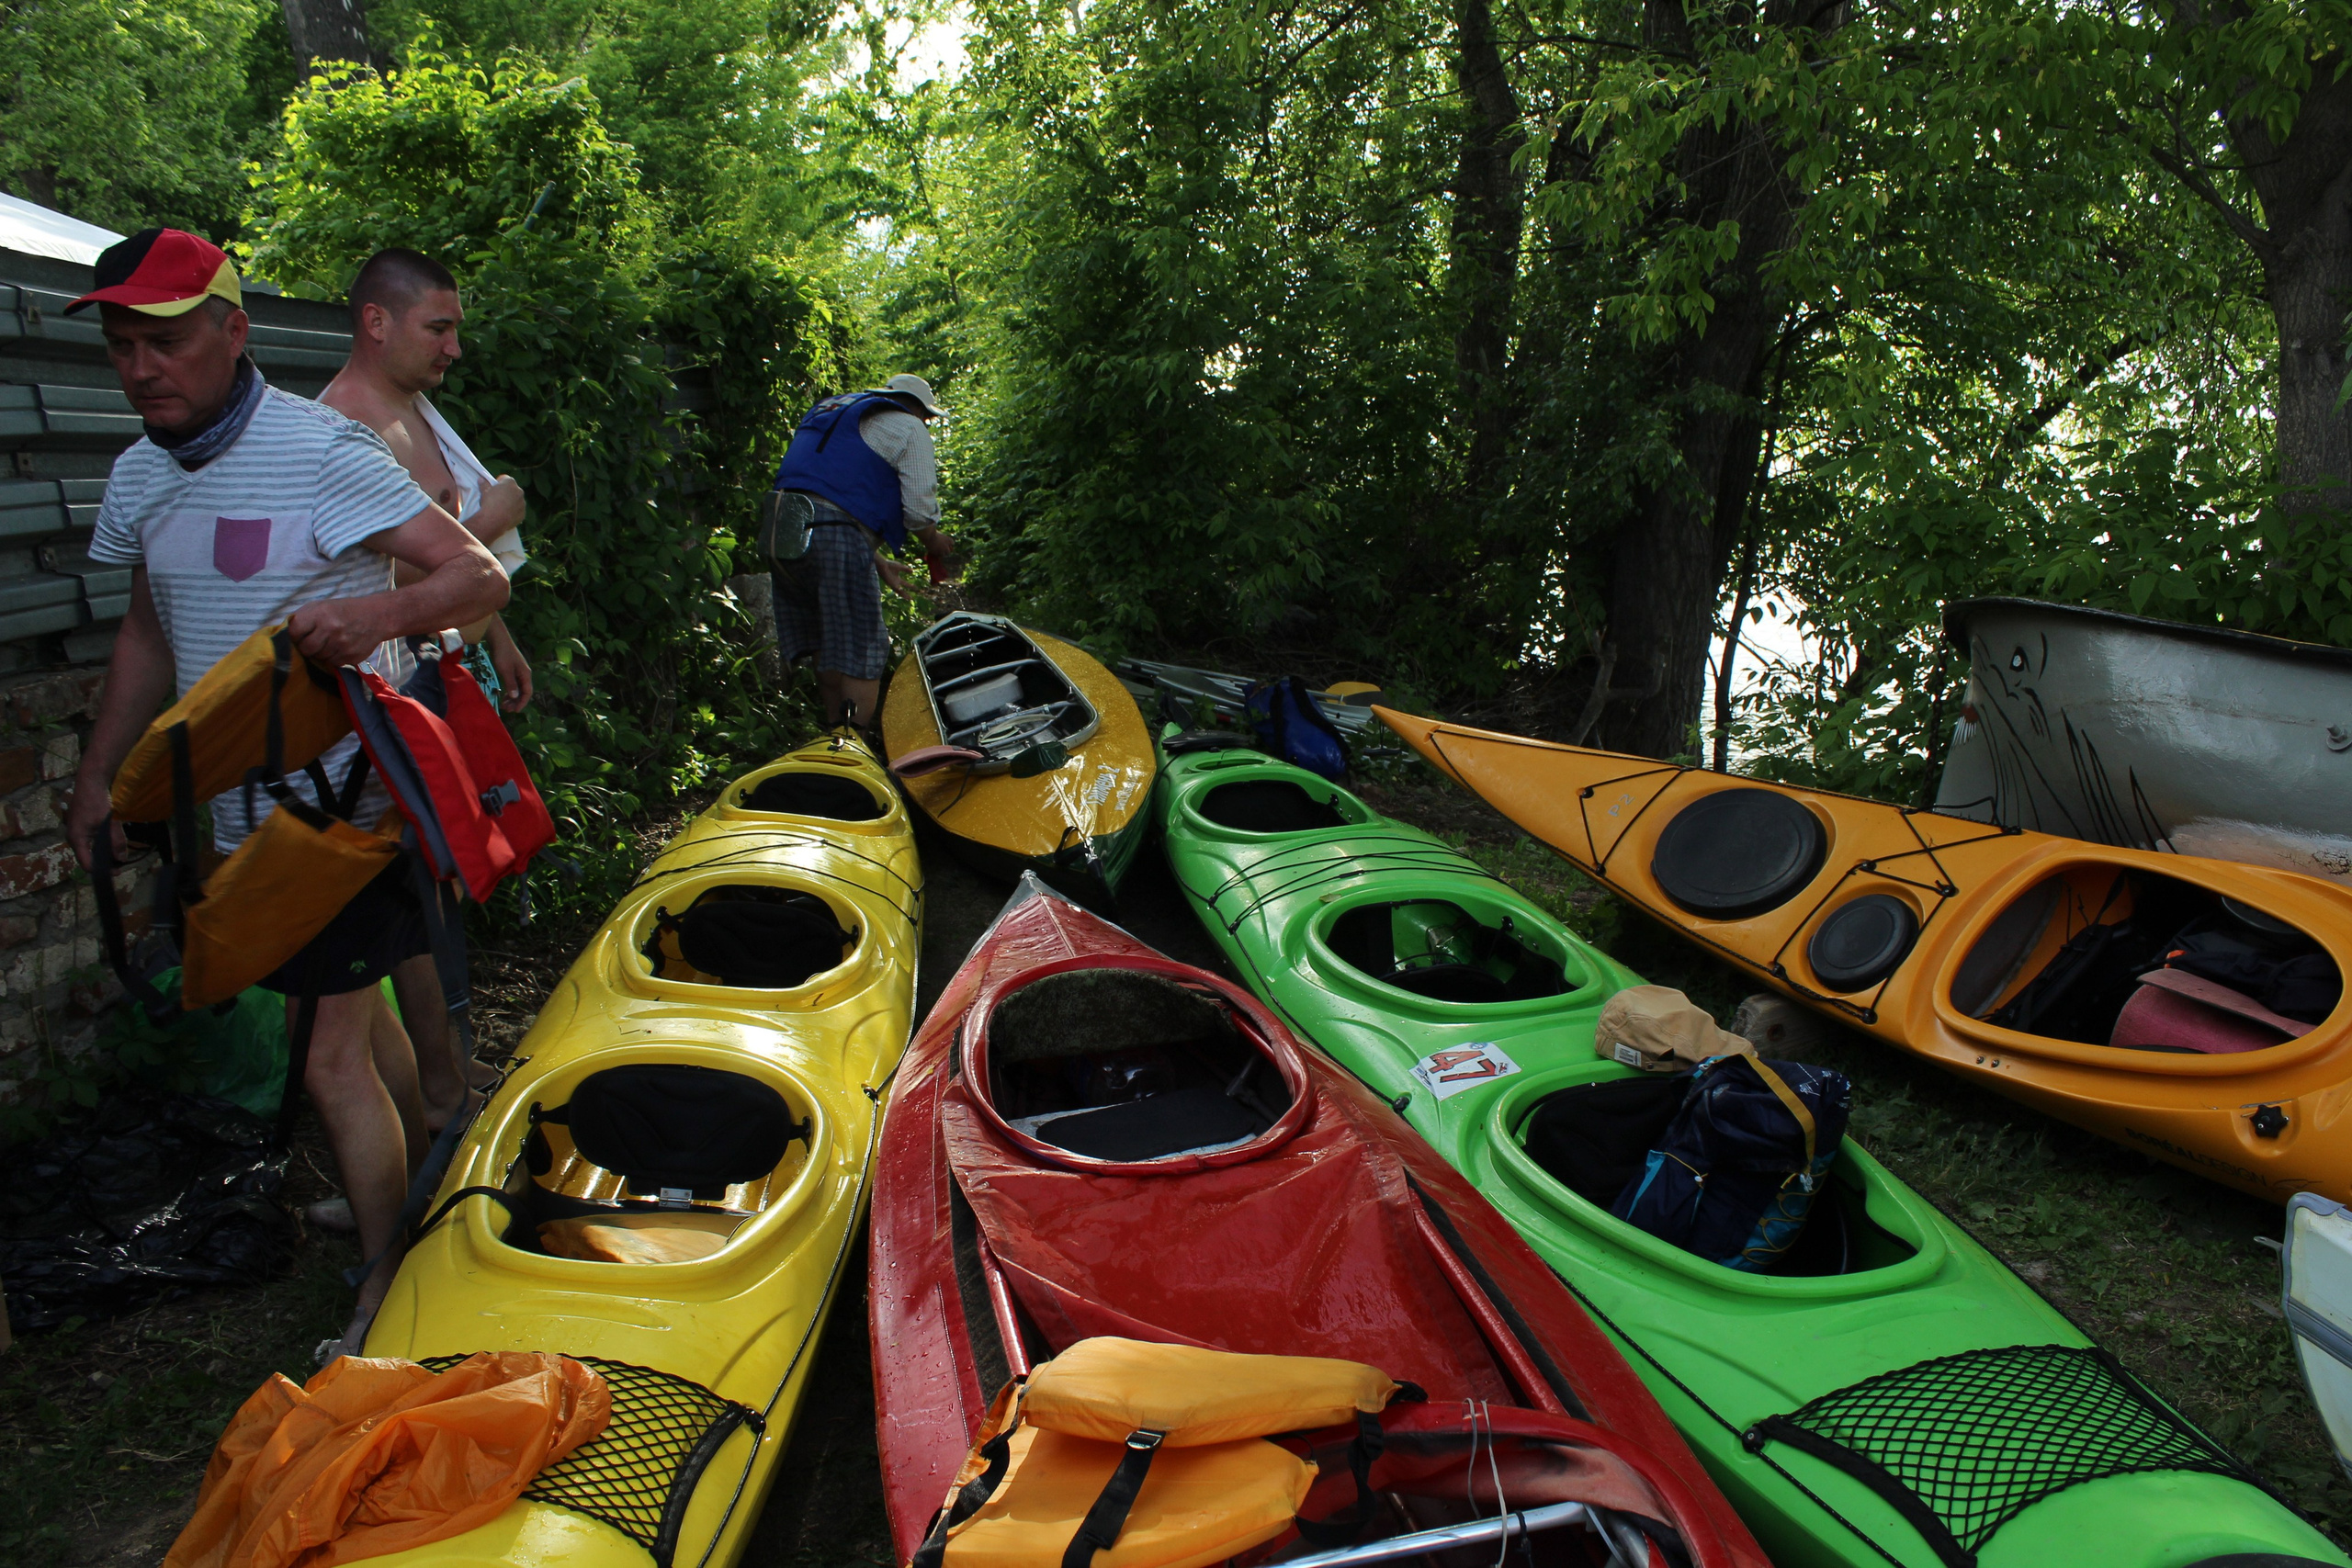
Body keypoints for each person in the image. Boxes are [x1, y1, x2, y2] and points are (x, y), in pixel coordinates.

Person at [60, 228, 509, 1359]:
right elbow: (148, 630)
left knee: (325, 1057)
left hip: (344, 809)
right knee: (365, 1030)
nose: (142, 367)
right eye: (123, 346)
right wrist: (98, 777)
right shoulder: (139, 476)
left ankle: (381, 1285)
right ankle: (409, 1191)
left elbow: (475, 571)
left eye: (164, 340)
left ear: (232, 330)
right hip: (235, 818)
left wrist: (375, 616)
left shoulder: (322, 451)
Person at [320, 247, 526, 1139]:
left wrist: (501, 637)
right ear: (378, 322)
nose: (453, 348)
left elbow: (450, 565)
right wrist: (494, 520)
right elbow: (387, 569)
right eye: (438, 328)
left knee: (450, 873)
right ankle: (435, 1094)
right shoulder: (342, 429)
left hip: (452, 675)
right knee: (412, 890)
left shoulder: (415, 411)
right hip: (397, 691)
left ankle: (451, 1064)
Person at [768, 373, 961, 730]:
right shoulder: (908, 425)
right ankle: (853, 746)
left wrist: (875, 558)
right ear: (920, 410)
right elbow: (919, 513)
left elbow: (822, 493)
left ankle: (833, 734)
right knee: (864, 648)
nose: (927, 424)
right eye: (929, 418)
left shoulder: (834, 408)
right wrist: (933, 541)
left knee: (827, 638)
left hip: (780, 527)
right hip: (831, 533)